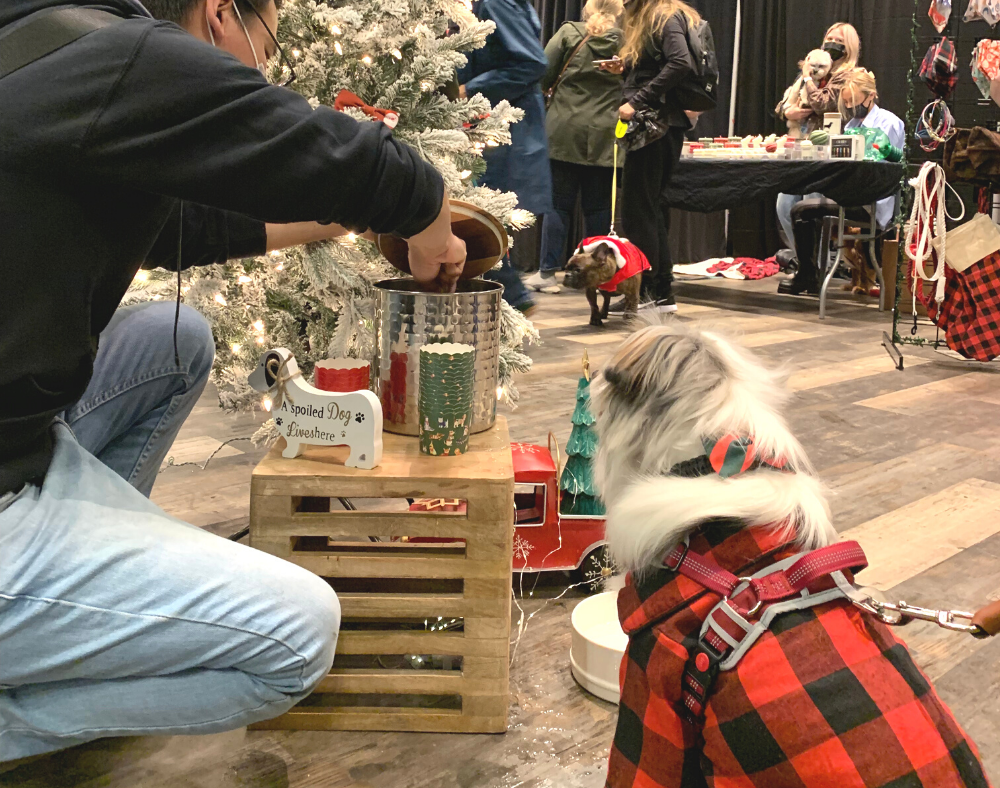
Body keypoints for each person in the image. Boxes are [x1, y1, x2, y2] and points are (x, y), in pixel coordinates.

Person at [0, 0, 466, 760]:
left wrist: (356, 222)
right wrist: (428, 216)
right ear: (222, 15)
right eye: (271, 40)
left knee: (171, 337)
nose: (268, 69)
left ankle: (80, 597)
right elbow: (357, 159)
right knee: (296, 635)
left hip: (18, 436)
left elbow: (190, 226)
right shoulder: (125, 58)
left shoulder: (47, 47)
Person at [458, 0, 554, 314]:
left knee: (482, 216)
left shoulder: (496, 2)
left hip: (503, 131)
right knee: (481, 217)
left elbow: (530, 63)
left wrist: (468, 89)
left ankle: (511, 298)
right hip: (493, 129)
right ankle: (510, 297)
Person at [525, 0, 624, 295]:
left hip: (564, 130)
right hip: (607, 134)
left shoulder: (570, 33)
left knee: (558, 205)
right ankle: (599, 276)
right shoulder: (628, 41)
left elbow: (542, 73)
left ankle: (547, 274)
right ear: (619, 12)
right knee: (599, 208)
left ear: (588, 9)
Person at [611, 0, 699, 314]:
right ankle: (659, 295)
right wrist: (626, 69)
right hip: (660, 125)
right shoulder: (658, 17)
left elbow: (680, 63)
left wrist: (637, 99)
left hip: (656, 127)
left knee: (639, 213)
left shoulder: (663, 17)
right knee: (651, 211)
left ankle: (649, 294)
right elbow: (665, 64)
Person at [784, 68, 904, 296]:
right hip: (850, 194)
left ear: (871, 96)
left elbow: (881, 166)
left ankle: (809, 274)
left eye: (854, 101)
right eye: (846, 102)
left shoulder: (889, 123)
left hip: (872, 201)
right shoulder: (851, 126)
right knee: (801, 207)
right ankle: (809, 271)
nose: (850, 107)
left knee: (802, 210)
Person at [776, 21, 861, 293]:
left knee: (811, 208)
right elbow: (783, 104)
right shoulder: (810, 67)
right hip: (800, 150)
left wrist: (807, 81)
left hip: (828, 155)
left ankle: (817, 271)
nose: (832, 43)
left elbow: (824, 104)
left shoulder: (848, 76)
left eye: (838, 40)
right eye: (829, 38)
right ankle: (807, 264)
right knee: (784, 204)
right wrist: (787, 112)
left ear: (849, 46)